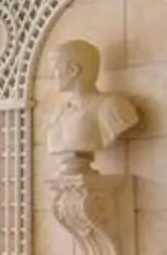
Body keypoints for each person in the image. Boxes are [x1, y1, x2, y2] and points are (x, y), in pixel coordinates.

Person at [44, 39, 142, 172]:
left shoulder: (112, 107)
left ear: (74, 70)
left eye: (55, 69)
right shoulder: (58, 112)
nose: (51, 76)